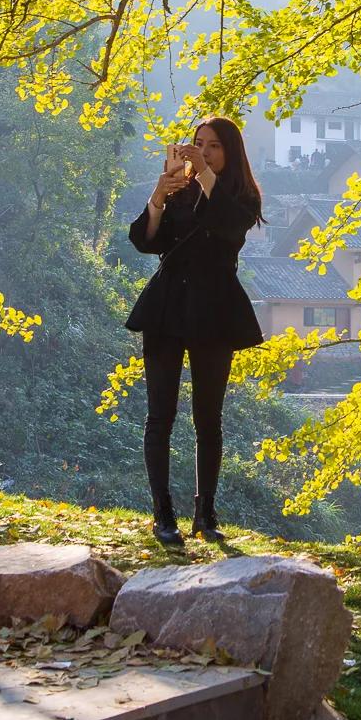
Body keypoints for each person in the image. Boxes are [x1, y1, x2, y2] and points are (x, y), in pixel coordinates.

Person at [127, 116, 265, 546]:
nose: (202, 152)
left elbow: (228, 225)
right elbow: (148, 242)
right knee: (159, 416)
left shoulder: (241, 196)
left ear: (231, 152)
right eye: (198, 144)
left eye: (213, 147)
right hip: (167, 307)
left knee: (208, 418)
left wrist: (203, 174)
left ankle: (205, 514)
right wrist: (157, 197)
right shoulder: (181, 192)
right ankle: (162, 513)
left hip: (214, 311)